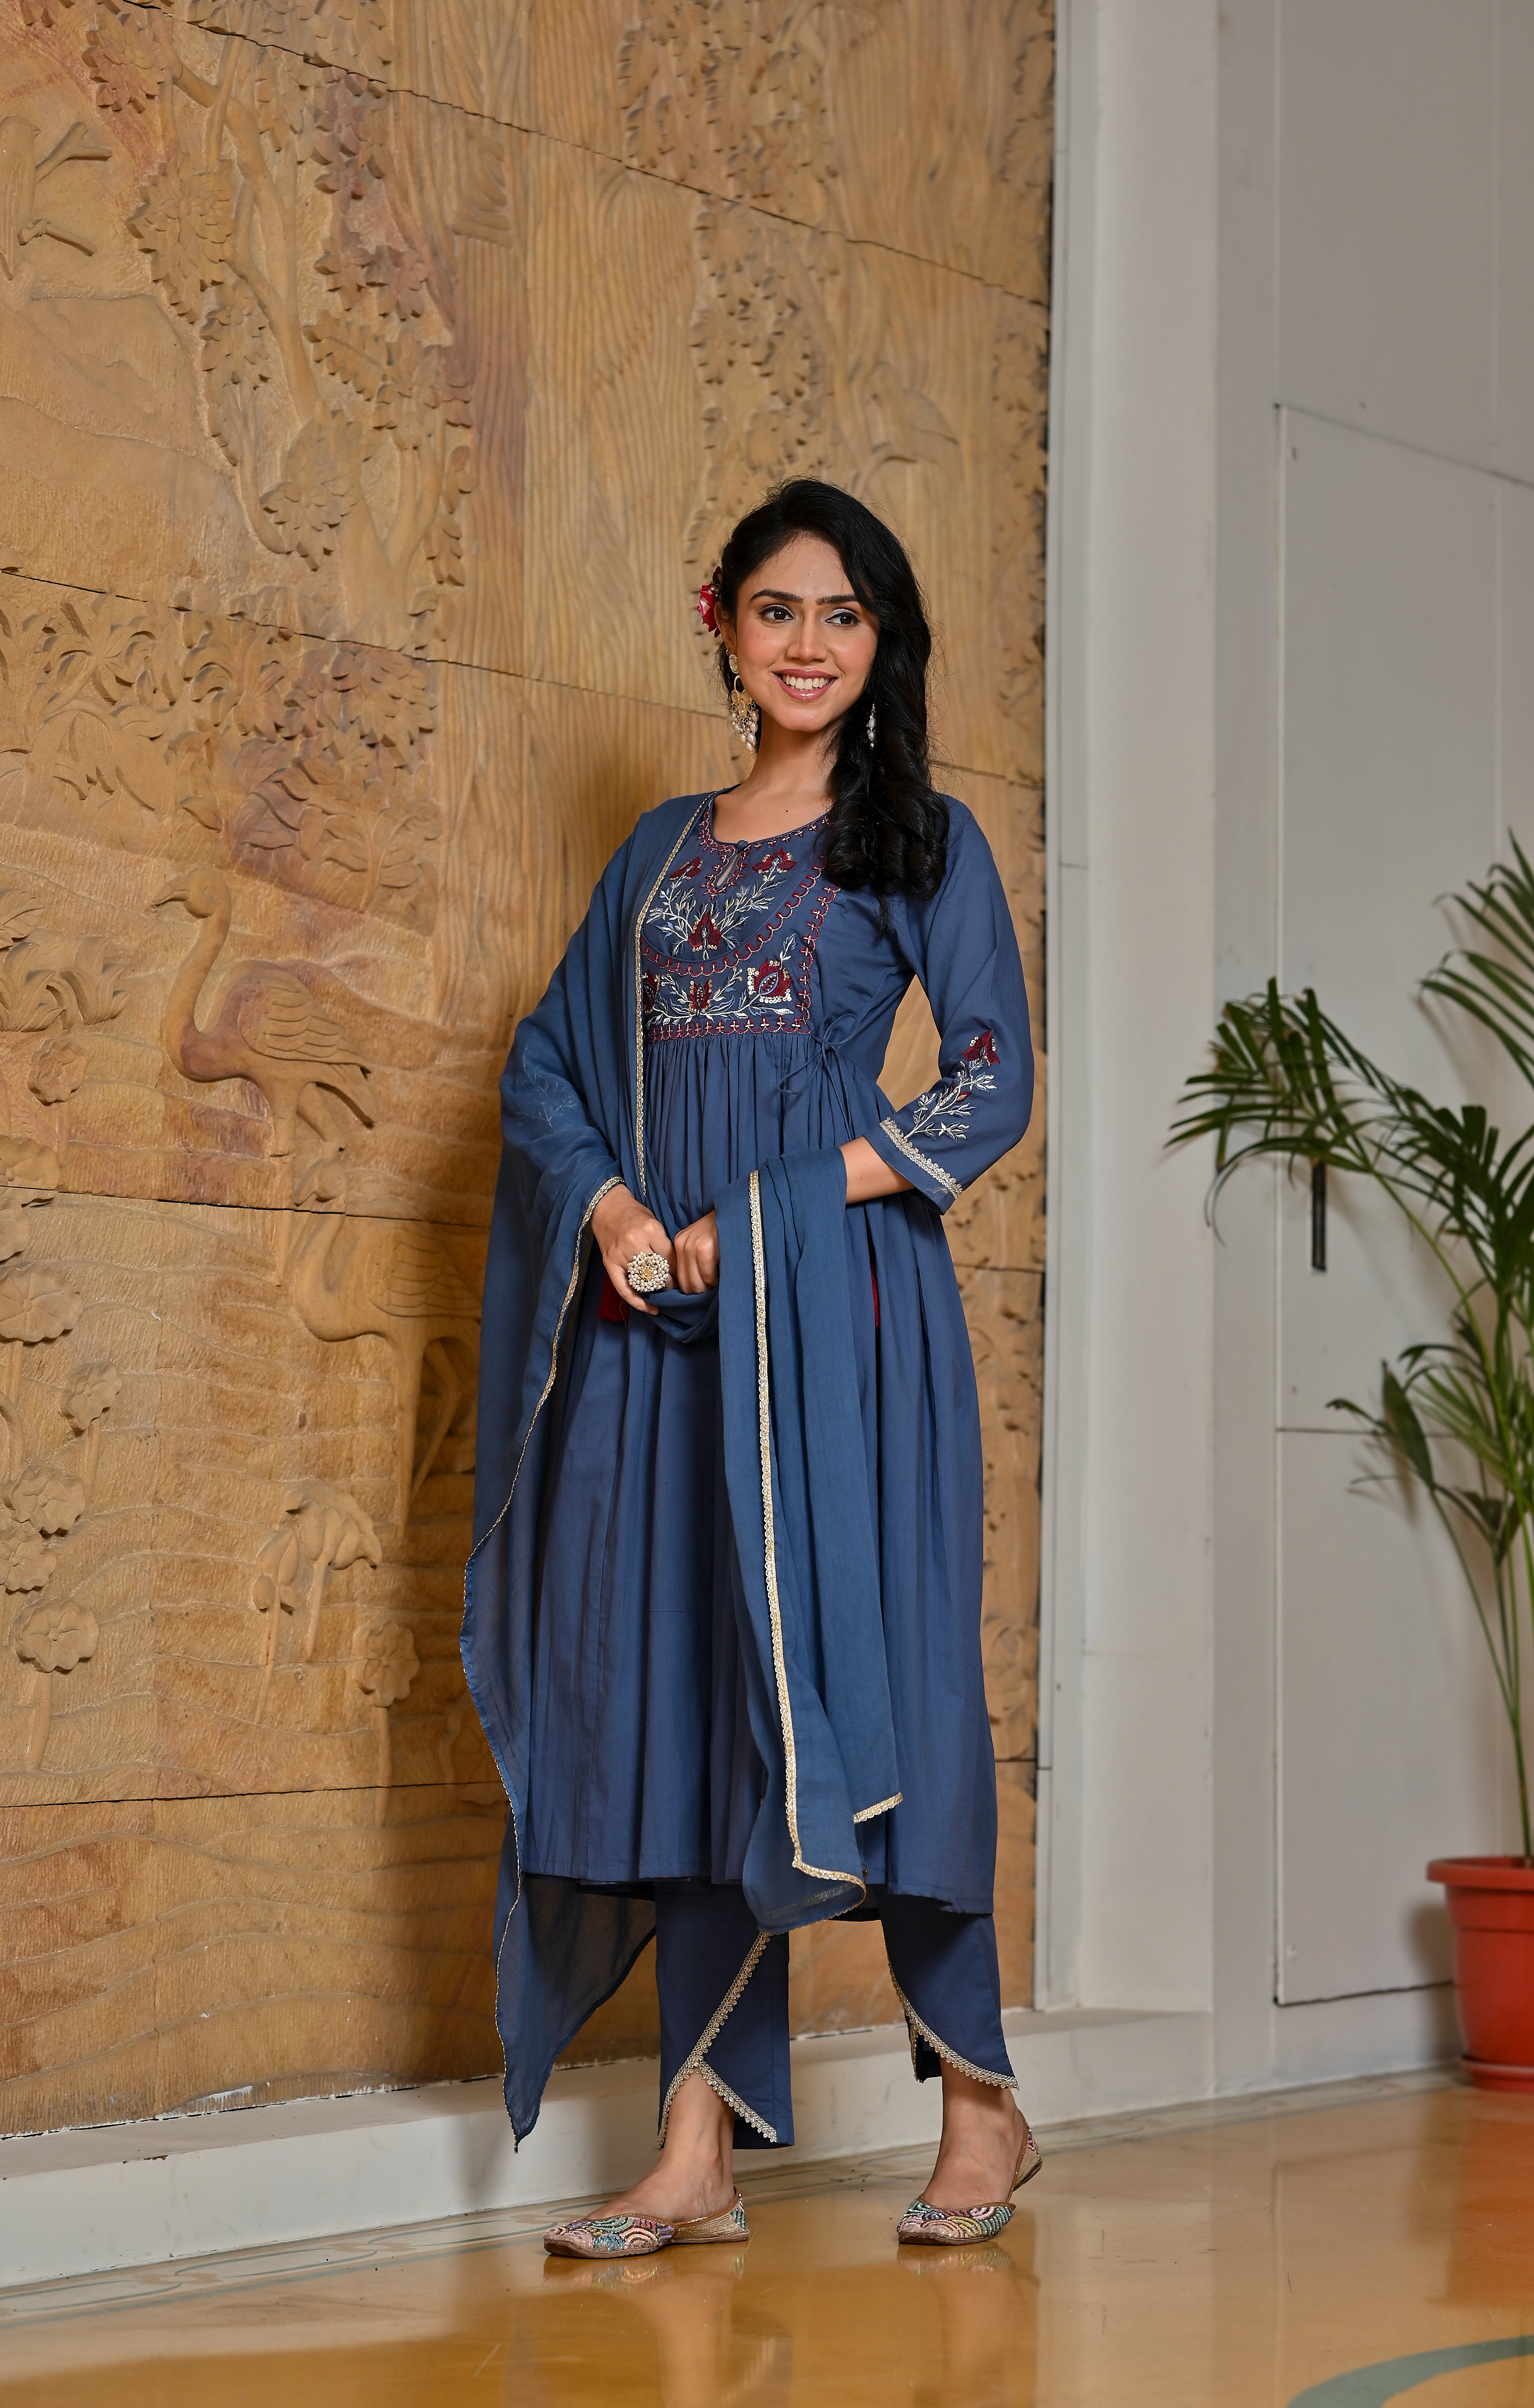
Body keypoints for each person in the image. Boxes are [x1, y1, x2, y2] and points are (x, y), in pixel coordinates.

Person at [463, 478, 1038, 2258]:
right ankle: (696, 2146)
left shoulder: (917, 839)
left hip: (839, 1319)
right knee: (698, 1704)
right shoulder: (657, 854)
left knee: (888, 1693)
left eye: (844, 615)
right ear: (721, 623)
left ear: (882, 643)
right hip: (664, 1339)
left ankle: (980, 2102)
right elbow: (548, 1064)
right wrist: (622, 1210)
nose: (809, 643)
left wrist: (773, 1211)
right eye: (779, 609)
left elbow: (991, 1081)